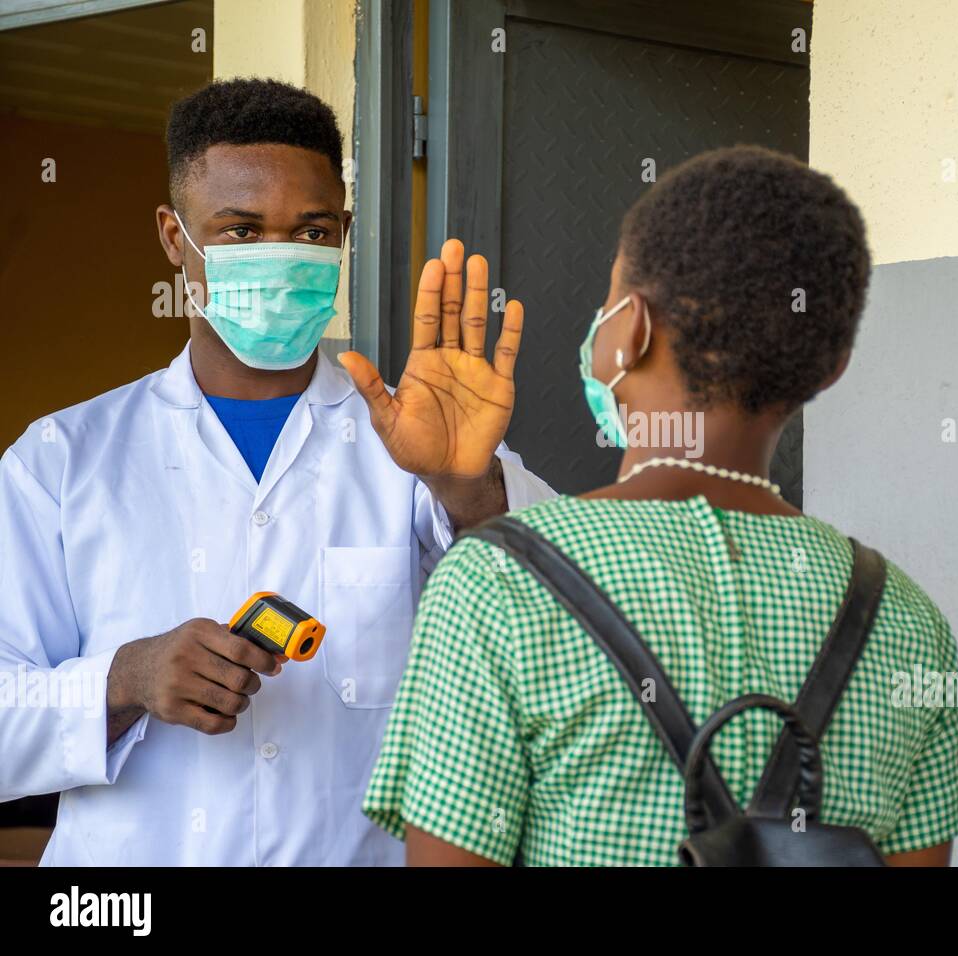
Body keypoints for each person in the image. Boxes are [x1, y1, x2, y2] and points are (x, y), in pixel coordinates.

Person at [363, 145, 958, 866]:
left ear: (629, 331)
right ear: (831, 365)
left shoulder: (494, 589)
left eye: (608, 301)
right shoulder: (906, 617)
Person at [0, 78, 553, 865]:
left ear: (343, 236)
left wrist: (469, 488)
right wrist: (126, 678)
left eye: (312, 229)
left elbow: (564, 633)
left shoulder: (418, 449)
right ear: (173, 236)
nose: (280, 256)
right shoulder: (61, 460)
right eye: (240, 230)